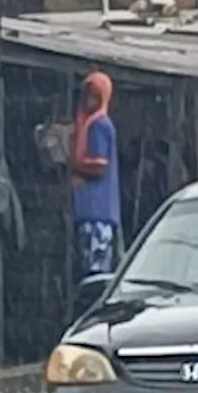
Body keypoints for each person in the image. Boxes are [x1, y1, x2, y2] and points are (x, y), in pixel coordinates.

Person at [70, 70, 121, 280]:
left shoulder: (98, 125)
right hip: (91, 212)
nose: (90, 101)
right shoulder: (87, 125)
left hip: (97, 213)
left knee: (95, 274)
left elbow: (99, 167)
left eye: (95, 96)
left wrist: (74, 166)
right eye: (88, 96)